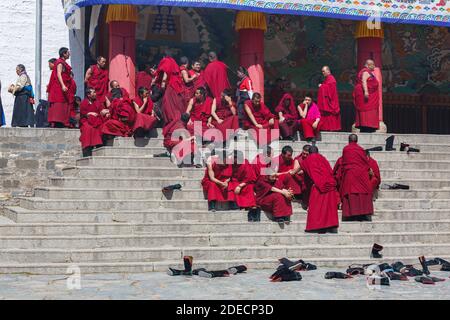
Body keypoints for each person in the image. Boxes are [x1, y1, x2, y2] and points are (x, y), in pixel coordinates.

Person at [300, 146, 339, 233]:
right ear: (318, 152)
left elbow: (301, 170)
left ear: (309, 153)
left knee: (317, 207)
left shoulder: (307, 160)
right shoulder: (323, 158)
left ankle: (318, 226)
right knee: (329, 207)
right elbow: (330, 171)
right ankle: (330, 225)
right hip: (330, 185)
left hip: (318, 186)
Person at [340, 134, 374, 221]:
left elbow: (344, 162)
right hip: (361, 173)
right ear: (356, 141)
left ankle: (351, 214)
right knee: (363, 191)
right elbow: (365, 162)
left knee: (351, 192)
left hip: (350, 173)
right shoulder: (361, 149)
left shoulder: (346, 149)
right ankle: (363, 214)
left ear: (349, 140)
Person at [48, 47, 76, 128]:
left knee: (64, 103)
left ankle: (62, 121)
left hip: (63, 86)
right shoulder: (60, 62)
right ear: (64, 54)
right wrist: (63, 85)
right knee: (59, 103)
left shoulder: (63, 62)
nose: (69, 54)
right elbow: (59, 74)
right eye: (68, 53)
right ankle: (58, 121)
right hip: (59, 87)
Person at [155, 51, 185, 124]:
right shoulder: (173, 62)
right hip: (176, 84)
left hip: (170, 85)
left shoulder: (166, 61)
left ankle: (171, 121)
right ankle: (176, 120)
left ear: (163, 56)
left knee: (168, 104)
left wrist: (162, 85)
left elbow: (165, 73)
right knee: (174, 103)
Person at [79, 87, 107, 157]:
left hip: (97, 120)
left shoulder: (97, 102)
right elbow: (83, 113)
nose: (95, 94)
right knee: (87, 129)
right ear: (88, 94)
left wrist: (104, 112)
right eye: (93, 92)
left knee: (101, 127)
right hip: (86, 121)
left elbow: (101, 110)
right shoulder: (84, 102)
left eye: (95, 92)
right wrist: (89, 113)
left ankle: (99, 145)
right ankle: (87, 148)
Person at [353, 59, 379, 132]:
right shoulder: (365, 72)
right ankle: (366, 126)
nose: (374, 66)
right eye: (372, 64)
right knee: (367, 111)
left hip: (371, 96)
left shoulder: (369, 73)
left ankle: (369, 126)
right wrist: (366, 92)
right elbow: (364, 81)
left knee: (370, 111)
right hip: (367, 96)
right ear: (368, 65)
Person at [318, 66, 341, 131]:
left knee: (330, 114)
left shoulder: (331, 79)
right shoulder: (327, 78)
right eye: (322, 71)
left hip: (331, 101)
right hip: (328, 100)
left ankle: (331, 128)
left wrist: (322, 86)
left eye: (324, 71)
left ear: (328, 71)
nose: (323, 73)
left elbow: (330, 90)